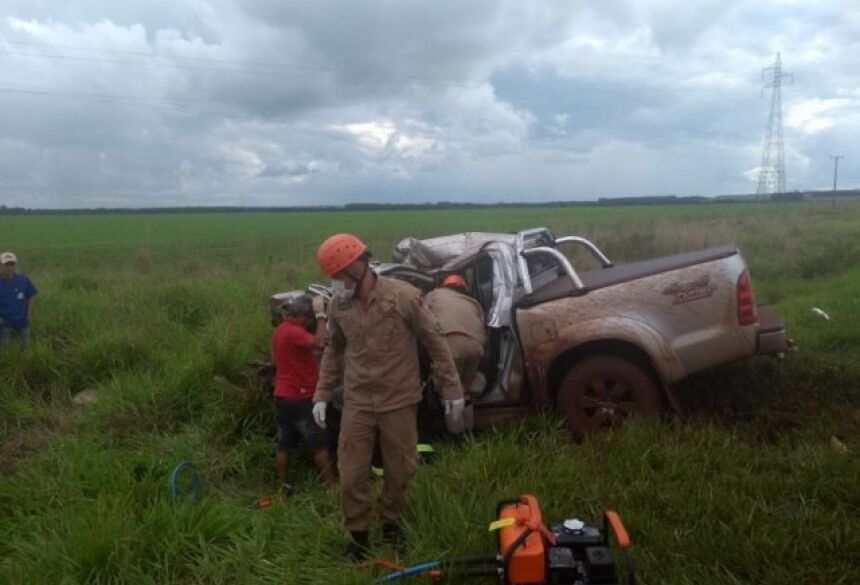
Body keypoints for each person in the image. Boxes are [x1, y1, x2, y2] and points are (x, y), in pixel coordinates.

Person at [311, 233, 464, 561]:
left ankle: (392, 523)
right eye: (333, 278)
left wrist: (452, 389)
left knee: (401, 470)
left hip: (399, 400)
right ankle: (358, 537)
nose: (336, 284)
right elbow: (334, 350)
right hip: (358, 402)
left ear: (357, 267)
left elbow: (436, 344)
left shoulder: (404, 297)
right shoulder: (339, 306)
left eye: (339, 276)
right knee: (351, 472)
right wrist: (322, 393)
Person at [271, 294, 336, 497]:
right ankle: (331, 486)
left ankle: (283, 485)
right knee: (318, 441)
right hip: (300, 396)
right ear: (301, 316)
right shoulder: (294, 332)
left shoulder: (281, 330)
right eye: (308, 318)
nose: (309, 322)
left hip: (282, 395)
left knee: (285, 443)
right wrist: (321, 316)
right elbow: (320, 343)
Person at [423, 274, 486, 413]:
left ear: (443, 284)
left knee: (450, 390)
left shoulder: (434, 295)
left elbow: (421, 316)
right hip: (475, 348)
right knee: (465, 388)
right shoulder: (473, 301)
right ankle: (469, 431)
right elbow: (483, 326)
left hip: (451, 346)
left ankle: (455, 432)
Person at [0, 252, 37, 347]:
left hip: (23, 322)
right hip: (5, 324)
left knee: (26, 347)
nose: (9, 267)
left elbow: (30, 297)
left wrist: (28, 315)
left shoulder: (23, 280)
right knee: (6, 350)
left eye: (12, 264)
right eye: (6, 264)